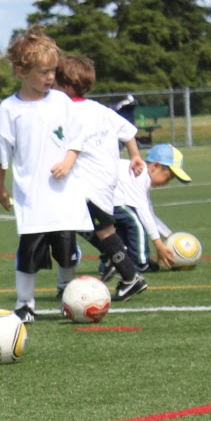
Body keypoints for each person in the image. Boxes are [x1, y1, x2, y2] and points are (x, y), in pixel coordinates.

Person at [0, 26, 80, 321]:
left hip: (62, 195)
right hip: (32, 196)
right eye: (44, 72)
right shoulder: (9, 109)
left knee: (66, 249)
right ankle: (25, 303)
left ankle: (67, 293)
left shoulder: (61, 102)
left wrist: (68, 161)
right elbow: (1, 153)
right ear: (21, 71)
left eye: (53, 71)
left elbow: (77, 139)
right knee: (29, 251)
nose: (51, 77)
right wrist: (0, 187)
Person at [49, 53, 148, 303]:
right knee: (88, 228)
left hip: (87, 183)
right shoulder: (99, 109)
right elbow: (128, 132)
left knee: (91, 230)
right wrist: (135, 156)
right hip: (105, 180)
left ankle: (130, 276)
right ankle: (113, 261)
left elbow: (68, 142)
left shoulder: (67, 111)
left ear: (65, 85)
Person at [105, 142, 190, 275]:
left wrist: (170, 236)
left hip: (110, 201)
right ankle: (141, 263)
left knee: (124, 228)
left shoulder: (143, 179)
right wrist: (159, 245)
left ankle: (113, 263)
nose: (167, 182)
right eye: (168, 177)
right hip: (107, 200)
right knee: (136, 223)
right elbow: (143, 213)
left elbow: (150, 215)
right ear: (155, 166)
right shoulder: (139, 174)